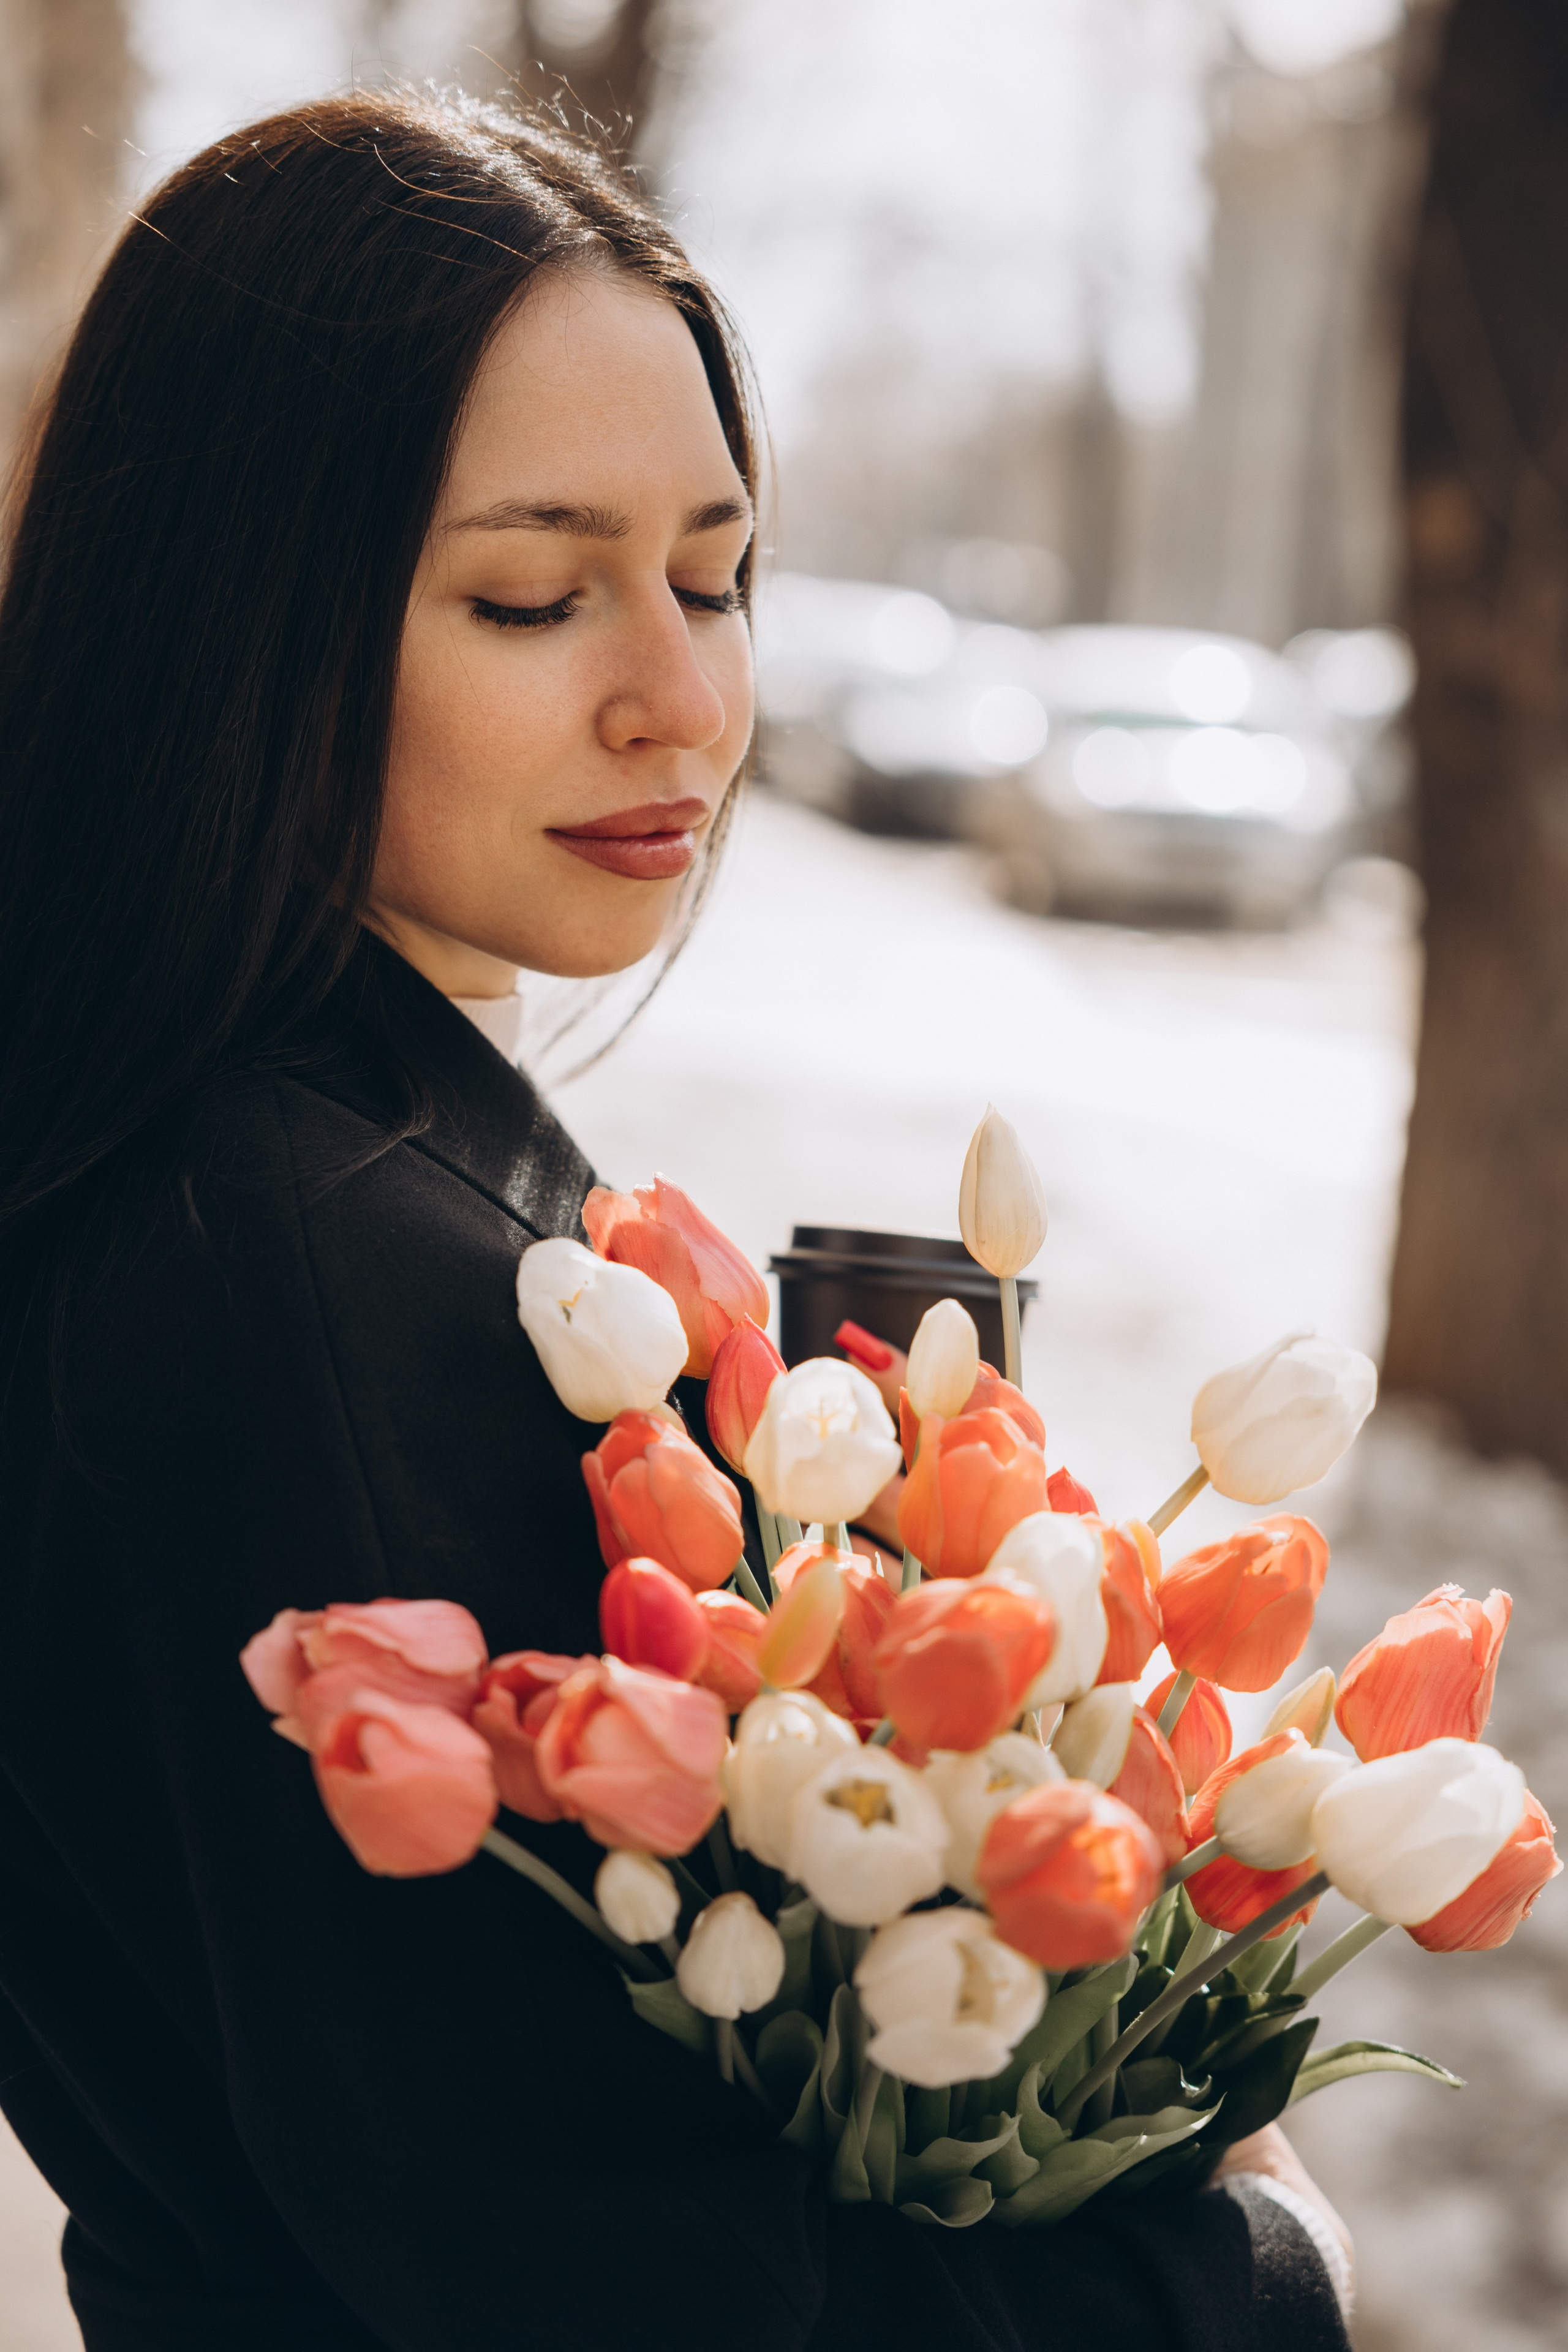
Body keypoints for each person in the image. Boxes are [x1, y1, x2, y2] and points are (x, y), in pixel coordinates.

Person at [0, 89, 1352, 2351]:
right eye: (534, 593)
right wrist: (1248, 2259)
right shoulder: (311, 1274)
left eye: (715, 577)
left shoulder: (228, 1164)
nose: (686, 699)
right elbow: (606, 2283)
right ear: (235, 611)